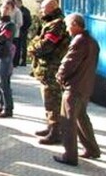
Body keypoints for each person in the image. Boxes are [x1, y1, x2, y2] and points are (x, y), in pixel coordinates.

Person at [53, 13, 101, 166]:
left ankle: (70, 155)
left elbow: (69, 63)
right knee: (82, 119)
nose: (67, 30)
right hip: (86, 86)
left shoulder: (79, 41)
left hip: (74, 87)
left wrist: (59, 76)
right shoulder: (93, 42)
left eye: (68, 26)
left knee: (68, 121)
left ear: (75, 24)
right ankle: (92, 149)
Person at [28, 0, 70, 145]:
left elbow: (46, 46)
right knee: (48, 100)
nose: (41, 11)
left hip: (52, 68)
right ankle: (50, 126)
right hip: (45, 68)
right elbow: (37, 39)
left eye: (43, 8)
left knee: (53, 101)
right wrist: (34, 43)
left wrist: (31, 47)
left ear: (52, 8)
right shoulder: (49, 22)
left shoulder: (57, 24)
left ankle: (56, 132)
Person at [15, 0, 32, 67]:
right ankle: (16, 60)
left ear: (21, 3)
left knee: (23, 46)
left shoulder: (25, 11)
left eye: (17, 3)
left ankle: (23, 61)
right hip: (17, 30)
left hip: (23, 31)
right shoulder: (16, 10)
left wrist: (24, 29)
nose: (16, 5)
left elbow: (29, 21)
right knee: (17, 46)